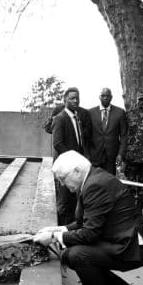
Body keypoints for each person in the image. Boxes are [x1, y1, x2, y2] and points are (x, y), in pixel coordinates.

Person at [33, 150, 143, 285]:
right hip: (122, 240)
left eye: (62, 178)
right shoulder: (93, 179)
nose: (61, 184)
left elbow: (90, 234)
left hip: (130, 247)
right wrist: (57, 229)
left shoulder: (94, 185)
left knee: (76, 255)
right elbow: (86, 223)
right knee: (73, 254)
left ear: (77, 171)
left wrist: (54, 238)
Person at [52, 88, 91, 225]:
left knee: (73, 202)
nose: (76, 101)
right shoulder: (60, 118)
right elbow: (58, 144)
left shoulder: (76, 118)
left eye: (77, 98)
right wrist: (73, 161)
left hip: (75, 170)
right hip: (66, 168)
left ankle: (69, 233)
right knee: (64, 202)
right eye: (72, 98)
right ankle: (59, 233)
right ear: (65, 100)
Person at [85, 88, 127, 175]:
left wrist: (120, 154)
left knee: (109, 183)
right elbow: (86, 136)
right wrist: (87, 155)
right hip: (95, 156)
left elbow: (124, 136)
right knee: (95, 183)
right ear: (99, 97)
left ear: (111, 97)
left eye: (107, 96)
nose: (105, 98)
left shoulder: (120, 112)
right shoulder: (90, 112)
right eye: (103, 96)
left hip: (111, 157)